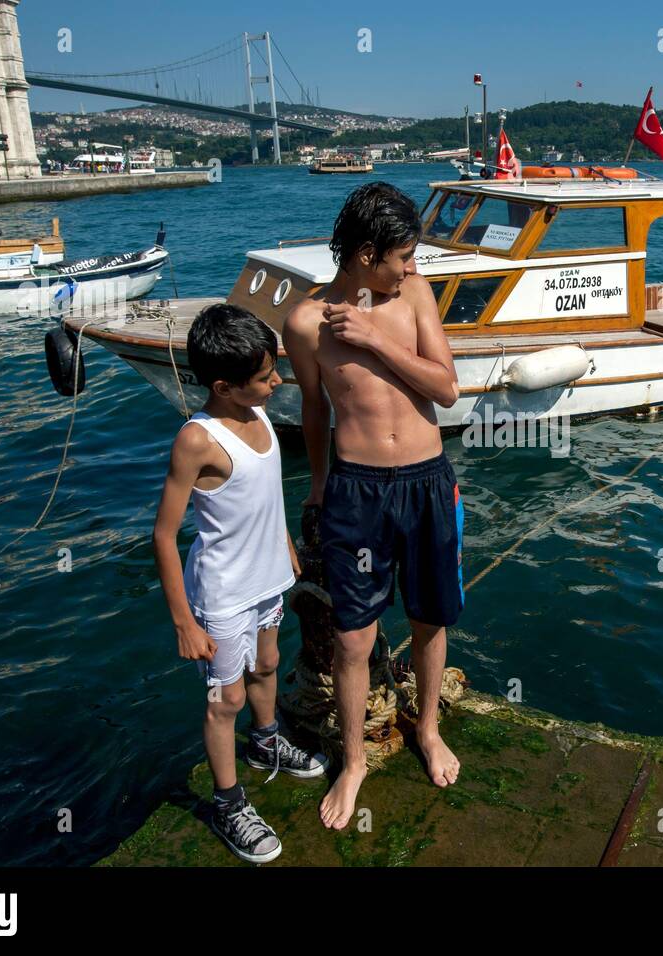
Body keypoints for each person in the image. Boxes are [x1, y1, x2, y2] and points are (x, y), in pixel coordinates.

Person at [282, 182, 463, 831]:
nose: (413, 268)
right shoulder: (304, 321)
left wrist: (374, 338)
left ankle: (430, 729)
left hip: (426, 482)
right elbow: (313, 408)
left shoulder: (414, 296)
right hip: (356, 491)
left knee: (429, 620)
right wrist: (318, 485)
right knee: (354, 638)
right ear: (364, 255)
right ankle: (354, 761)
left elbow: (446, 387)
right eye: (403, 257)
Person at [153, 303, 328, 864]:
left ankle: (267, 739)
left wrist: (282, 539)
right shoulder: (198, 440)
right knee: (224, 698)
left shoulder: (259, 416)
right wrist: (184, 622)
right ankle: (229, 802)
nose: (278, 381)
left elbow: (266, 489)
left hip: (268, 578)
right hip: (224, 593)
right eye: (265, 377)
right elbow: (163, 535)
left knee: (268, 666)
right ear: (224, 386)